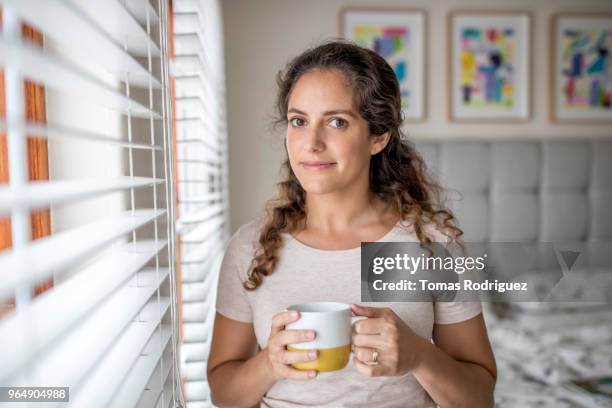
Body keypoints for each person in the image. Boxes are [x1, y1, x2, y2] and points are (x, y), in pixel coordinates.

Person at [207, 40, 496, 408]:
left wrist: (420, 355)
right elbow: (222, 393)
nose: (311, 143)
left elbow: (480, 397)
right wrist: (269, 363)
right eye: (299, 121)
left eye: (336, 122)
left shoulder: (432, 246)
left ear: (378, 137)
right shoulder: (250, 247)